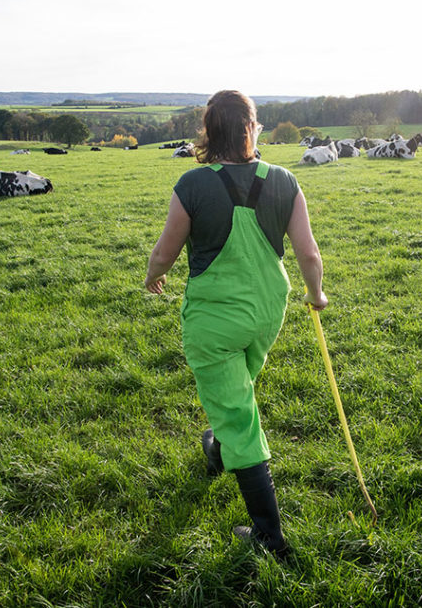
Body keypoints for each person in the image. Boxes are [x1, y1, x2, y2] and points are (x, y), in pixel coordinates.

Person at [144, 90, 327, 556]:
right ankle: (217, 448)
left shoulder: (192, 184)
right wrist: (316, 292)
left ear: (208, 133)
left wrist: (154, 275)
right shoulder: (285, 179)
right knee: (237, 395)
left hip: (214, 321)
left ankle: (270, 537)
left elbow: (166, 251)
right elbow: (308, 252)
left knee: (240, 418)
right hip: (268, 311)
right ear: (252, 128)